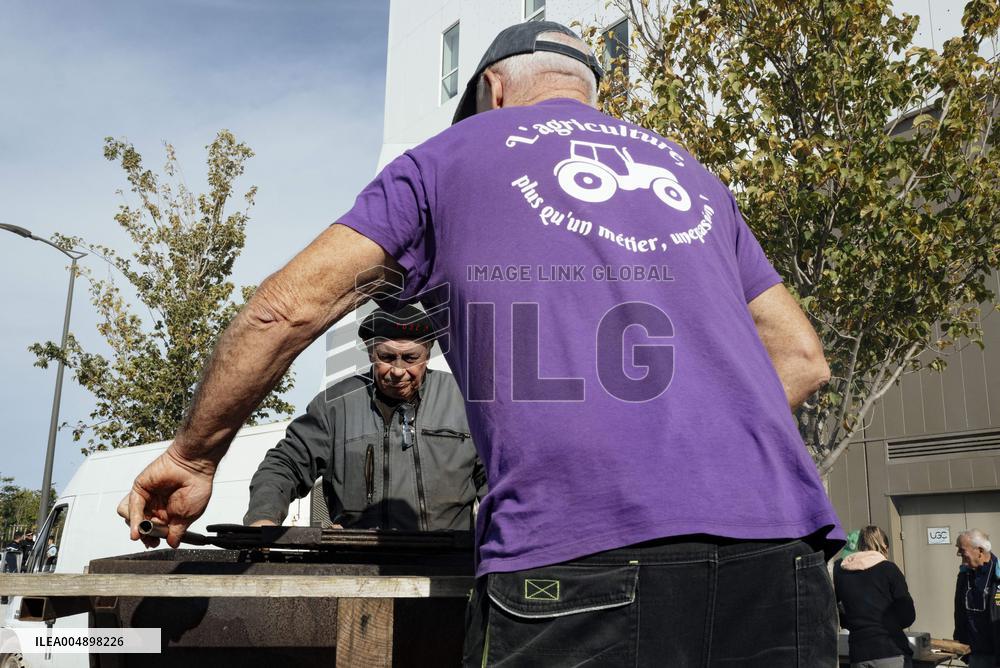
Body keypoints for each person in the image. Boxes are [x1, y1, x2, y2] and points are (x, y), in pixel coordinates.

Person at [118, 20, 843, 666]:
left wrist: (193, 456)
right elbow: (803, 360)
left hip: (577, 554)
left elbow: (285, 309)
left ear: (494, 89)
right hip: (781, 548)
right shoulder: (694, 178)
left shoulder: (445, 157)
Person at [243, 305, 486, 530]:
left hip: (450, 557)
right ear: (371, 352)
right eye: (387, 357)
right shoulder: (335, 406)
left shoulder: (465, 402)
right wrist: (264, 516)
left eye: (410, 358)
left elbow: (498, 478)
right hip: (357, 556)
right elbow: (285, 464)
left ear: (428, 354)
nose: (398, 370)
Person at [833, 525, 915, 667]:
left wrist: (854, 623)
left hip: (859, 653)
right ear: (884, 546)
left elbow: (834, 610)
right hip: (890, 650)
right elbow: (908, 615)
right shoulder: (889, 569)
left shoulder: (841, 573)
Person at [954, 529, 1000, 667]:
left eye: (962, 550)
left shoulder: (997, 576)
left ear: (980, 551)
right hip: (975, 655)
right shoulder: (964, 575)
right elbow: (960, 611)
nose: (958, 554)